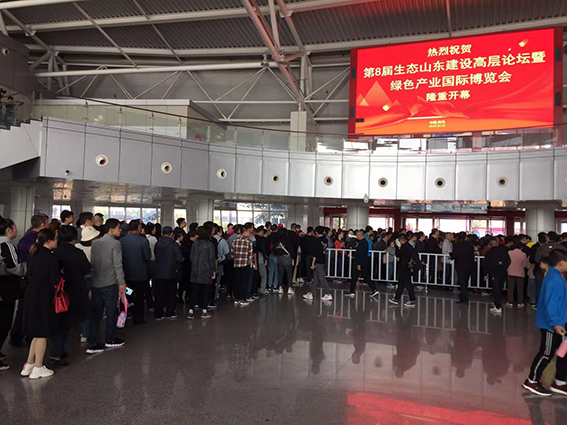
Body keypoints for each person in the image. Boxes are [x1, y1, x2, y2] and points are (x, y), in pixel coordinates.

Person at [522, 249, 567, 397]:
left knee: (562, 353)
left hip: (560, 322)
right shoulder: (554, 280)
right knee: (546, 353)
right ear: (561, 263)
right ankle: (532, 381)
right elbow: (551, 304)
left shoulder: (559, 277)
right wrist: (555, 323)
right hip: (551, 325)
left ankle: (560, 381)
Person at [20, 229, 59, 379]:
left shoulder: (34, 254)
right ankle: (38, 366)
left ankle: (29, 363)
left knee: (36, 332)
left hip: (31, 294)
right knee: (43, 332)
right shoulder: (50, 257)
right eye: (55, 238)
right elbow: (55, 279)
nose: (57, 240)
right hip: (44, 296)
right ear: (49, 241)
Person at [52, 225, 91, 364]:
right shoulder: (77, 253)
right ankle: (56, 353)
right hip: (74, 290)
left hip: (56, 291)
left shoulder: (54, 252)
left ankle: (58, 350)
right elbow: (87, 268)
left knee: (59, 322)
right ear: (75, 237)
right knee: (66, 323)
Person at [87, 218, 126, 354]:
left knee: (97, 314)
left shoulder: (95, 243)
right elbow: (117, 265)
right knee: (110, 312)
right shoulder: (115, 244)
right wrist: (121, 282)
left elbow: (93, 262)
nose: (120, 230)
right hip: (110, 282)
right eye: (118, 227)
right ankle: (110, 338)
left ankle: (95, 340)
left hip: (96, 282)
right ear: (111, 229)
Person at [10, 214, 48, 347]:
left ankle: (16, 335)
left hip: (23, 278)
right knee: (33, 308)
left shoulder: (24, 239)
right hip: (33, 278)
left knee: (22, 308)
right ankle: (30, 335)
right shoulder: (39, 241)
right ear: (42, 224)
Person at [0, 218, 26, 371]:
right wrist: (26, 268)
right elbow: (13, 266)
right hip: (5, 288)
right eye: (15, 227)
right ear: (8, 230)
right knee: (4, 321)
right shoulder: (6, 245)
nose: (17, 230)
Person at [120, 220, 151, 325]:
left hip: (127, 275)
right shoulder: (143, 241)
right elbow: (147, 256)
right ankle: (138, 319)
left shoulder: (122, 241)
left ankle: (126, 317)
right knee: (140, 297)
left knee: (127, 295)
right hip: (140, 275)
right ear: (139, 228)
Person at [153, 226, 183, 320]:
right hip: (171, 273)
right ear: (172, 234)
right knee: (171, 294)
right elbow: (179, 258)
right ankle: (169, 313)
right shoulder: (174, 245)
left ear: (162, 234)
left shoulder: (157, 244)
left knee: (159, 294)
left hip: (158, 272)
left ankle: (158, 313)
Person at [187, 226, 216, 319]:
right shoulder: (210, 244)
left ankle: (190, 311)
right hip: (206, 270)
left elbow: (191, 257)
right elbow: (211, 259)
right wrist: (213, 270)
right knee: (205, 291)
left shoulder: (195, 243)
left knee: (194, 291)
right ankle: (204, 310)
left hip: (195, 270)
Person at [303, 226, 333, 302]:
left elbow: (315, 253)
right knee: (315, 278)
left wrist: (313, 263)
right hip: (323, 259)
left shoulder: (316, 241)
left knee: (322, 277)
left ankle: (328, 293)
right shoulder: (325, 240)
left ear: (316, 232)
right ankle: (311, 293)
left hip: (318, 261)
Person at [389, 234, 419, 308]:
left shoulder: (404, 247)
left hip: (405, 268)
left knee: (408, 284)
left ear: (400, 240)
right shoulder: (409, 247)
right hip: (405, 268)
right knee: (401, 284)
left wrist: (397, 247)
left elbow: (398, 254)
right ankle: (396, 298)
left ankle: (412, 300)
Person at [484, 237, 511, 316]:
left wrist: (486, 274)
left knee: (496, 289)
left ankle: (498, 306)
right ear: (497, 243)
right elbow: (509, 261)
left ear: (490, 244)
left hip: (494, 273)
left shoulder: (489, 253)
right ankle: (497, 303)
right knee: (500, 289)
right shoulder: (504, 251)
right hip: (503, 273)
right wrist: (504, 267)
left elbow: (486, 264)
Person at [347, 230, 379, 299]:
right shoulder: (364, 242)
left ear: (359, 235)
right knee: (362, 276)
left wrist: (359, 264)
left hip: (360, 262)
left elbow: (361, 254)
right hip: (362, 262)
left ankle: (373, 289)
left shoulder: (362, 243)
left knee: (358, 276)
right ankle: (373, 289)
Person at [452, 231, 475, 305]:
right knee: (465, 281)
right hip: (469, 265)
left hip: (460, 265)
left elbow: (454, 255)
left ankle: (464, 298)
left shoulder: (457, 245)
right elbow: (472, 255)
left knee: (462, 282)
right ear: (466, 237)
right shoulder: (470, 245)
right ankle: (463, 297)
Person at [507, 239, 528, 308]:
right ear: (521, 247)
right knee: (520, 288)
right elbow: (524, 265)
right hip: (520, 273)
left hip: (510, 272)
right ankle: (520, 302)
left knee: (510, 288)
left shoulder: (509, 252)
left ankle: (510, 301)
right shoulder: (523, 254)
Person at [212, 226, 229, 306]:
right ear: (219, 232)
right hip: (220, 262)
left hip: (210, 263)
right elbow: (227, 251)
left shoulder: (210, 239)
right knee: (217, 279)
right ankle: (215, 296)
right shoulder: (222, 241)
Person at [275, 227, 294, 295]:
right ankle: (289, 288)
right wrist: (293, 258)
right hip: (286, 257)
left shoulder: (277, 240)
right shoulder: (287, 239)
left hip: (279, 257)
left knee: (280, 273)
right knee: (289, 274)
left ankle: (280, 288)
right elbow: (291, 249)